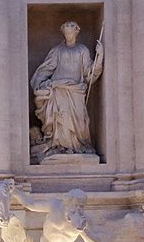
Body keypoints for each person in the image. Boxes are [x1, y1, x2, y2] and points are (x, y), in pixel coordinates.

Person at [30, 21, 104, 155]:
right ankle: (60, 146)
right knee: (61, 119)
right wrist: (40, 84)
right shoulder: (57, 51)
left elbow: (89, 73)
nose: (68, 35)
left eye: (71, 32)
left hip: (77, 91)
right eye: (66, 33)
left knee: (80, 122)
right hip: (59, 90)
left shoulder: (83, 50)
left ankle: (78, 146)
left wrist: (99, 57)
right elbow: (45, 69)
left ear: (76, 32)